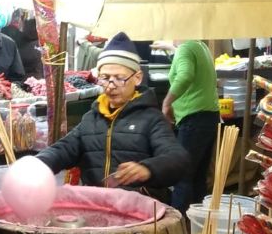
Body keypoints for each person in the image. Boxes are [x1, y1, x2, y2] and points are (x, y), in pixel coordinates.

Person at [36, 32, 190, 200]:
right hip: (99, 209)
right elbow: (64, 148)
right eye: (105, 78)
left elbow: (178, 159)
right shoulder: (91, 119)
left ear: (137, 78)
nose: (110, 86)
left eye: (119, 78)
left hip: (139, 213)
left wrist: (148, 169)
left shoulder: (152, 119)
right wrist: (38, 163)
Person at [162, 40, 221, 214]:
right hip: (208, 117)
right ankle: (197, 224)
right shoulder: (200, 47)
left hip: (193, 118)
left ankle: (176, 225)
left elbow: (185, 75)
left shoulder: (186, 48)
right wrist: (171, 48)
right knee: (198, 176)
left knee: (182, 175)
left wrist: (167, 102)